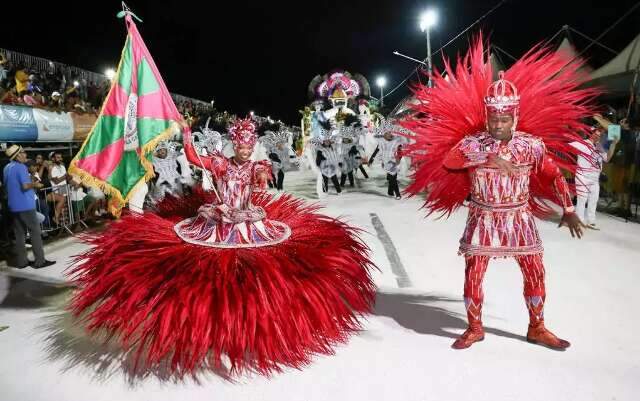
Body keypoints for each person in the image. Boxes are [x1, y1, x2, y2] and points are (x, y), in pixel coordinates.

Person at [68, 118, 375, 376]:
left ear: (252, 146)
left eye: (248, 146)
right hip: (217, 219)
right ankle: (208, 326)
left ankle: (246, 325)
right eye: (240, 146)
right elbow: (191, 158)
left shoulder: (256, 165)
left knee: (252, 269)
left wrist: (262, 177)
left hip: (245, 221)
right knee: (205, 269)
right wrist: (186, 135)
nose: (244, 150)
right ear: (234, 145)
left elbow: (261, 179)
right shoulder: (220, 164)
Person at [401, 39, 595, 351]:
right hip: (483, 216)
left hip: (519, 217)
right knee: (474, 272)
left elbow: (554, 174)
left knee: (535, 270)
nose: (498, 124)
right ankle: (474, 327)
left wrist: (569, 209)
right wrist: (483, 158)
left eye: (504, 119)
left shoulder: (530, 145)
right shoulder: (472, 143)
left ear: (515, 117)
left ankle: (537, 326)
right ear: (487, 115)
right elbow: (450, 162)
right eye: (494, 118)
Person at [2, 145, 55, 269]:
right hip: (25, 206)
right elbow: (25, 186)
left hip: (13, 206)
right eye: (23, 152)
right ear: (18, 155)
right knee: (35, 233)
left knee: (19, 235)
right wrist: (35, 184)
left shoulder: (6, 168)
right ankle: (40, 261)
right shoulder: (21, 167)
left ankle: (22, 262)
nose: (25, 155)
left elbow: (7, 186)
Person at [570, 125, 618, 229]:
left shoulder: (600, 147)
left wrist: (613, 144)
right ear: (590, 134)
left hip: (595, 178)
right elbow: (567, 145)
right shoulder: (581, 144)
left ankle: (591, 221)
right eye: (595, 134)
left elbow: (607, 159)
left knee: (593, 200)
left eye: (599, 135)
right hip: (582, 176)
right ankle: (579, 220)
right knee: (582, 199)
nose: (597, 136)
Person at [369, 128, 403, 199]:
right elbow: (376, 151)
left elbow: (400, 151)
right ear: (384, 135)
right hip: (386, 162)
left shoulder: (396, 141)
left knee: (393, 177)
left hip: (394, 162)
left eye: (390, 132)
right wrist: (370, 160)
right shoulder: (381, 142)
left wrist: (399, 159)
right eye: (387, 133)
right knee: (392, 177)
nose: (390, 134)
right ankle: (393, 192)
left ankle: (395, 193)